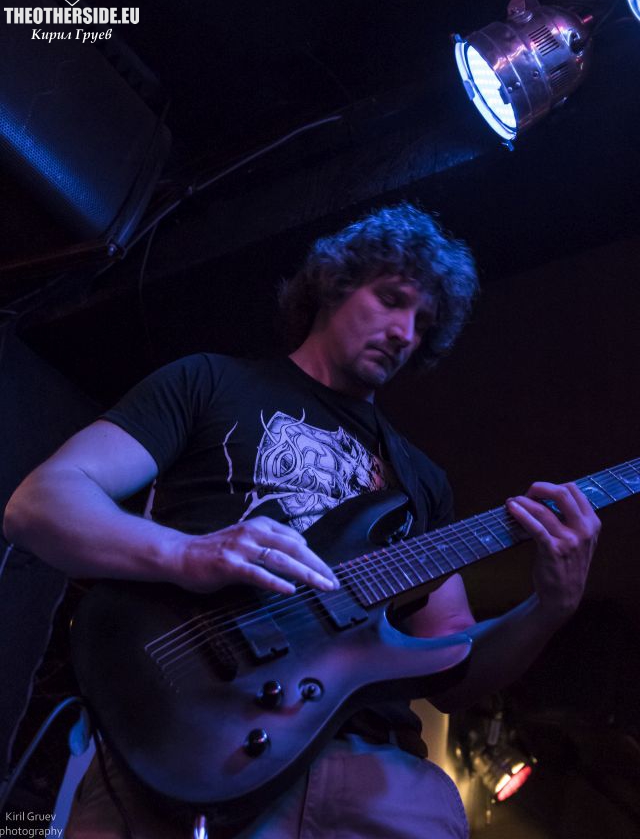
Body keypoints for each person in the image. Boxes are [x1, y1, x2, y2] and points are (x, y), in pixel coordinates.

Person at [3, 204, 600, 839]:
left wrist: (548, 608)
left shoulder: (421, 481)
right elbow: (40, 503)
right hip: (181, 742)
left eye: (423, 323)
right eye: (392, 299)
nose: (406, 333)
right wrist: (186, 553)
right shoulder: (209, 381)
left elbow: (453, 664)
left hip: (373, 782)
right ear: (334, 285)